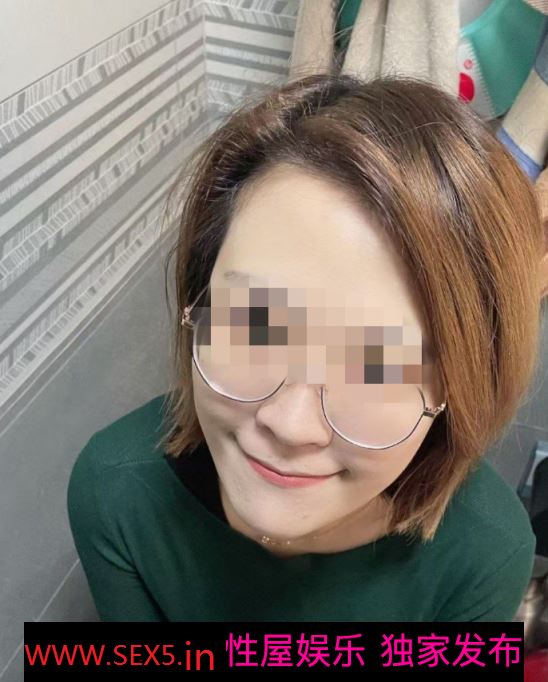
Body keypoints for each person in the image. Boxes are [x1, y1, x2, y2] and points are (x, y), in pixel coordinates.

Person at [67, 73, 547, 622]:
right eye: (253, 326)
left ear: (459, 388)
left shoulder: (487, 555)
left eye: (377, 366)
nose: (290, 425)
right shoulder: (117, 491)